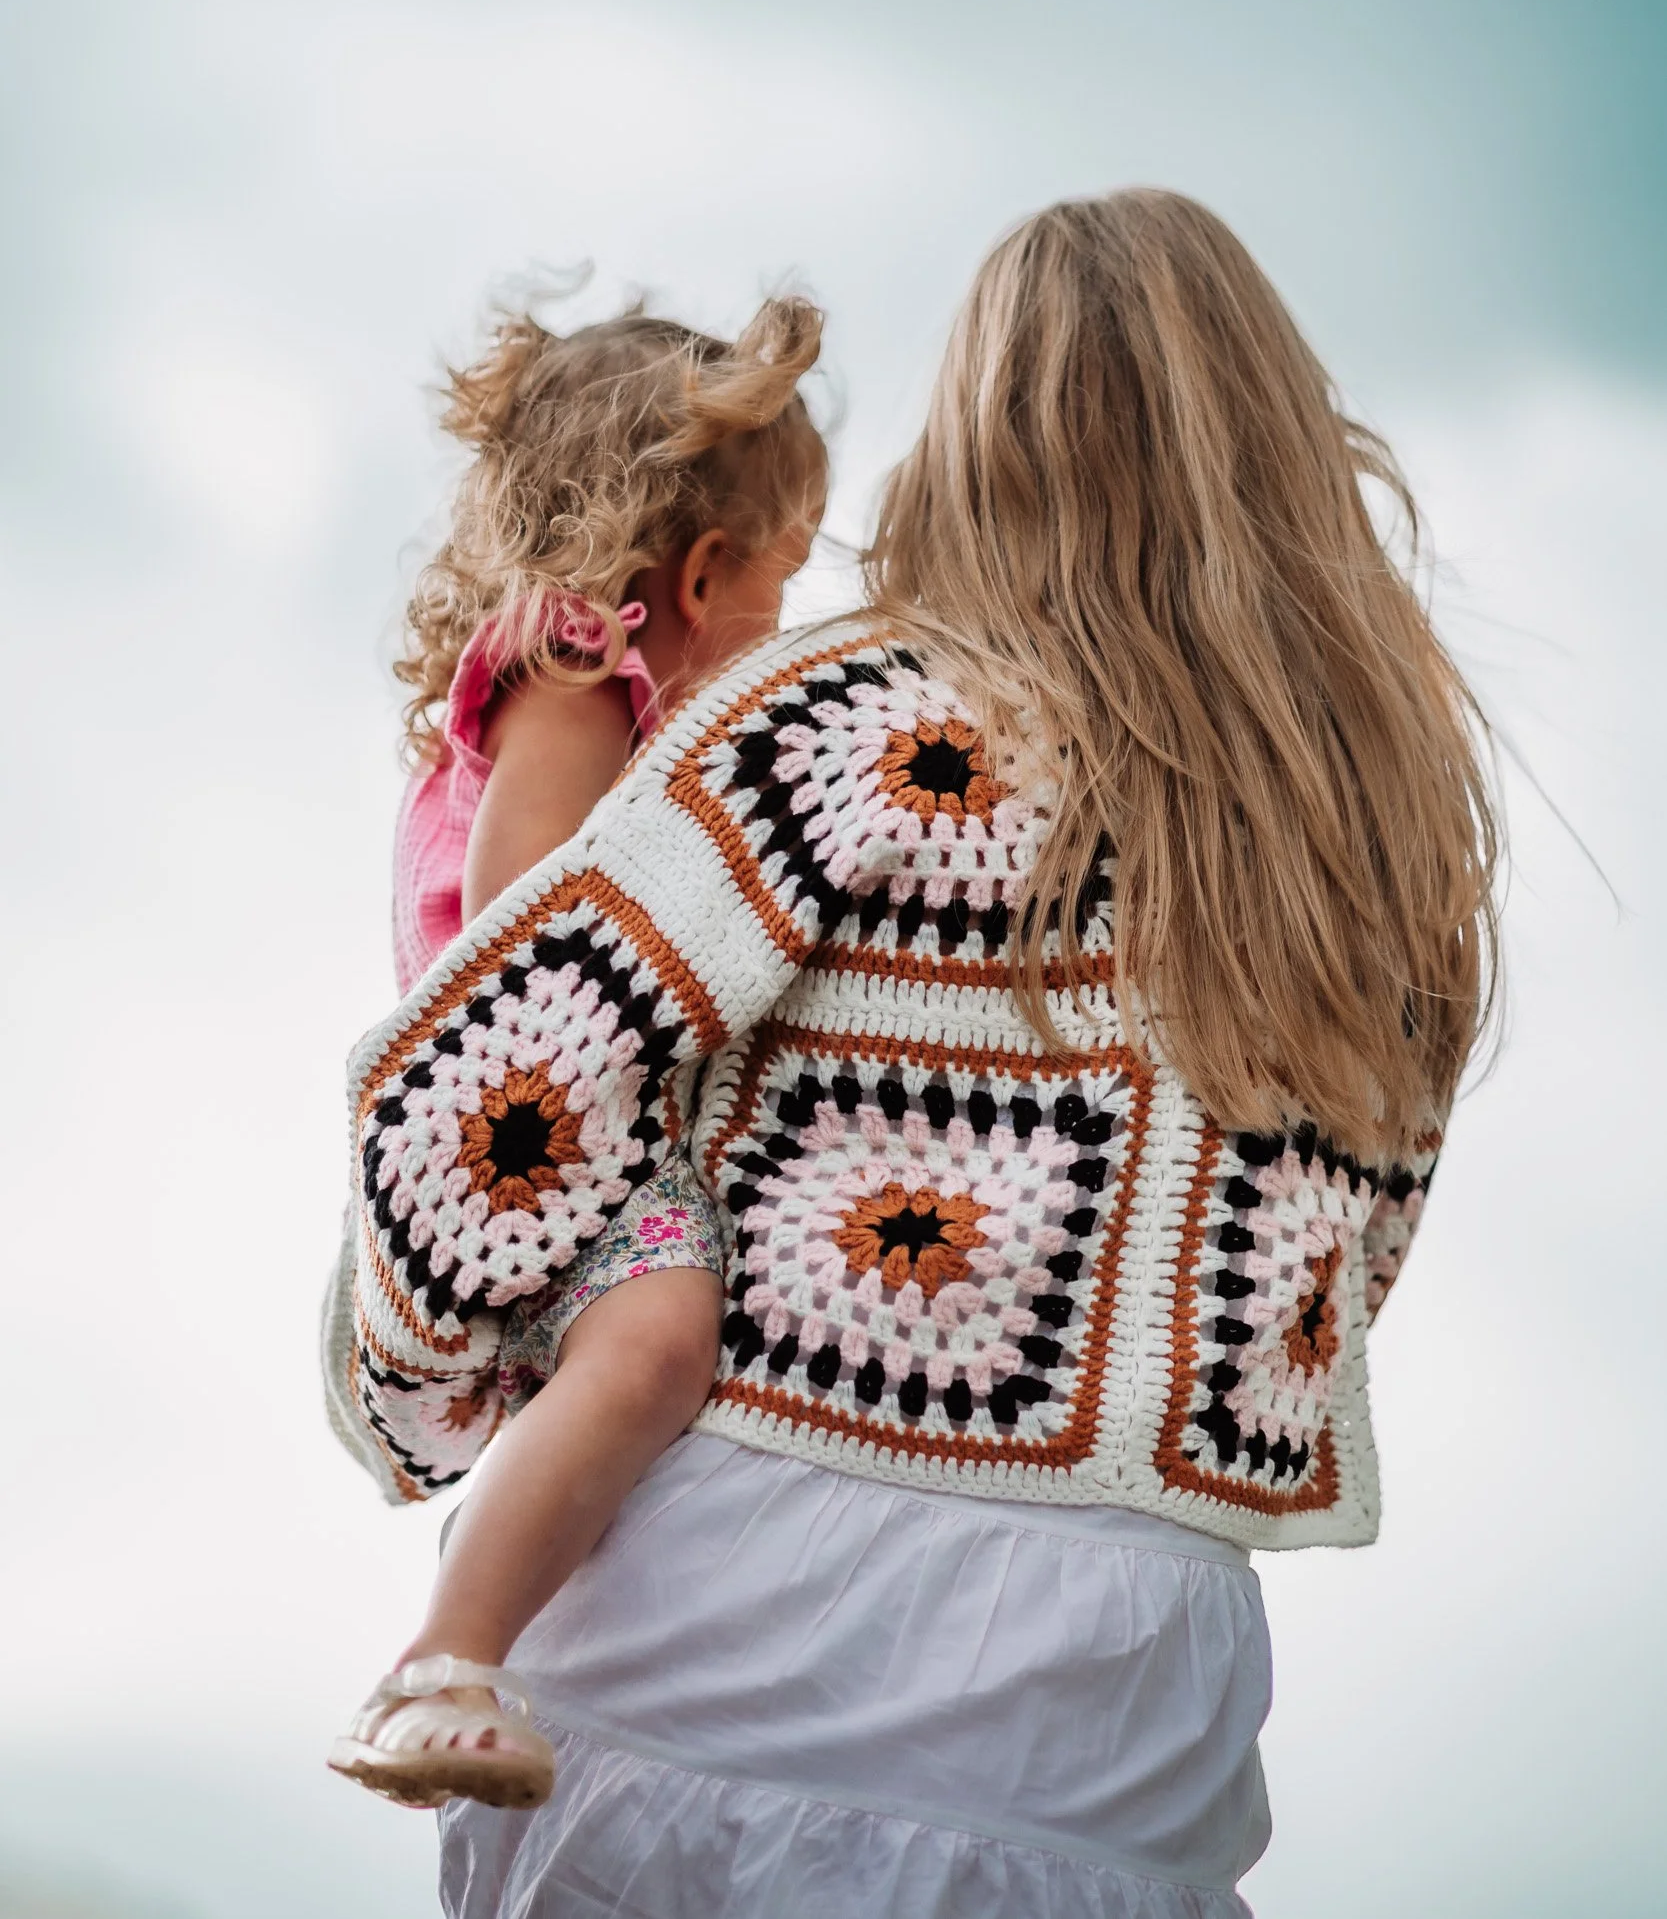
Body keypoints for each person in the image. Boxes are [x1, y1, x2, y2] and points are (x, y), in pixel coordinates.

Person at [324, 191, 1501, 1919]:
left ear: (981, 424)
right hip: (1124, 1729)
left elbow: (501, 1087)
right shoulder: (1386, 854)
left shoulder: (846, 718)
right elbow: (1333, 1288)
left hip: (704, 1674)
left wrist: (409, 1399)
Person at [326, 291, 827, 1810]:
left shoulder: (567, 678)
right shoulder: (578, 678)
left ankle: (492, 1638)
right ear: (696, 572)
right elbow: (529, 933)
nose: (784, 636)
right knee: (662, 1336)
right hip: (546, 1127)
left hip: (550, 1126)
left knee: (635, 1367)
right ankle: (446, 1657)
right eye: (781, 588)